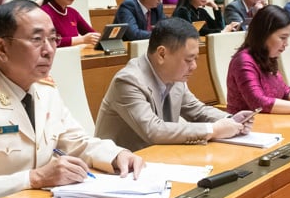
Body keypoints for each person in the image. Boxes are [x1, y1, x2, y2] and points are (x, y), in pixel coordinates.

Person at [0, 0, 142, 198]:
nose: (49, 50)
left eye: (53, 39)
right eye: (37, 40)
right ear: (2, 49)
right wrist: (35, 178)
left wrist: (117, 155)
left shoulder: (45, 89)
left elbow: (77, 142)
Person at [94, 19, 250, 150]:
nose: (194, 66)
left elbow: (197, 111)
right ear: (162, 54)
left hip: (159, 158)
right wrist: (213, 129)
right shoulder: (129, 81)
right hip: (122, 169)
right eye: (189, 60)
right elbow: (153, 130)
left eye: (196, 59)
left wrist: (231, 119)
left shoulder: (174, 77)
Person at [172, 0, 239, 35]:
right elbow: (195, 32)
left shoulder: (201, 11)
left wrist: (215, 8)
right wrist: (221, 31)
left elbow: (219, 27)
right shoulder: (182, 11)